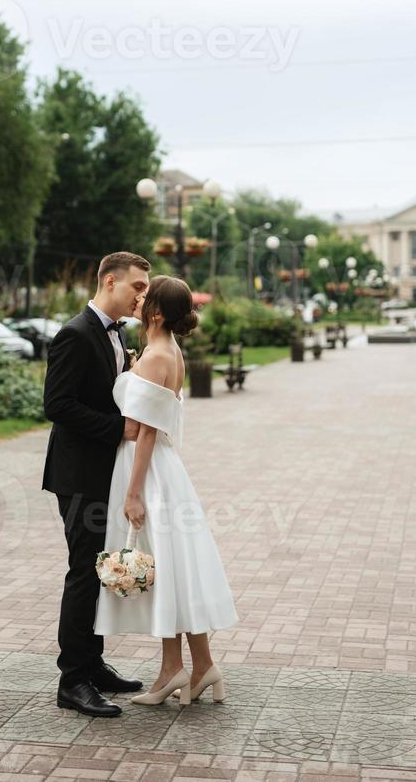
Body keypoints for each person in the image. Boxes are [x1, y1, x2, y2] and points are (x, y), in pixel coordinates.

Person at [94, 275, 238, 706]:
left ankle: (175, 670)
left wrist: (134, 492)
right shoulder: (167, 349)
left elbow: (145, 432)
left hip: (148, 471)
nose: (138, 299)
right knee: (173, 569)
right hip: (162, 470)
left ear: (156, 311)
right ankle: (194, 666)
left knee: (163, 569)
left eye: (145, 296)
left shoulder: (158, 355)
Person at [43, 251, 151, 717]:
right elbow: (58, 405)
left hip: (104, 472)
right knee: (84, 573)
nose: (142, 296)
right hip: (78, 475)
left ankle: (94, 664)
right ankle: (73, 681)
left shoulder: (116, 334)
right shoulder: (74, 334)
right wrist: (117, 429)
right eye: (137, 288)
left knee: (99, 567)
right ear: (110, 281)